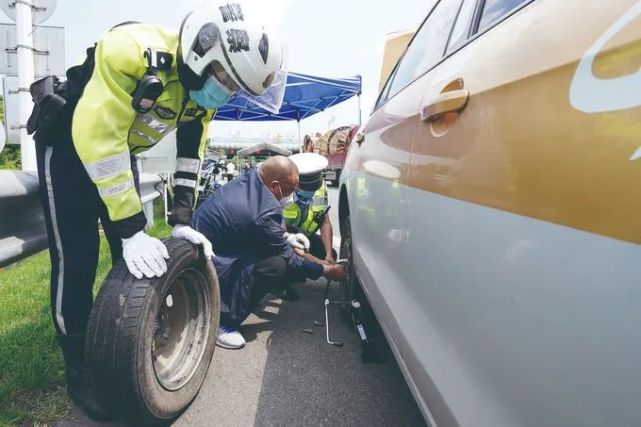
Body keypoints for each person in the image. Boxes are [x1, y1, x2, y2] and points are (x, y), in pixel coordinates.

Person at [29, 2, 285, 418]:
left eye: (235, 87)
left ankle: (124, 340)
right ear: (204, 52)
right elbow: (97, 135)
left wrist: (182, 219)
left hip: (121, 147)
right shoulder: (130, 50)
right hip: (70, 146)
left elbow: (191, 151)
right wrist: (130, 226)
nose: (226, 90)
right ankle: (77, 364)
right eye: (226, 80)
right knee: (76, 259)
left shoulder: (204, 93)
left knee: (135, 258)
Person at [192, 156, 346, 349]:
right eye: (290, 189)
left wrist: (287, 237)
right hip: (212, 262)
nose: (292, 194)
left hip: (211, 245)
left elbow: (269, 231)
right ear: (274, 186)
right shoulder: (262, 211)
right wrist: (326, 271)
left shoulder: (252, 179)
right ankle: (223, 322)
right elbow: (290, 258)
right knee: (276, 265)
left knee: (275, 252)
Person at [283, 153, 336, 264]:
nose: (311, 192)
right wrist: (321, 265)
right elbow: (280, 234)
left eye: (314, 188)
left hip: (305, 238)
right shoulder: (283, 193)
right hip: (285, 239)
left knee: (330, 254)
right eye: (306, 188)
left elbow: (325, 222)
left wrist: (328, 255)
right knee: (284, 265)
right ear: (295, 183)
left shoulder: (321, 189)